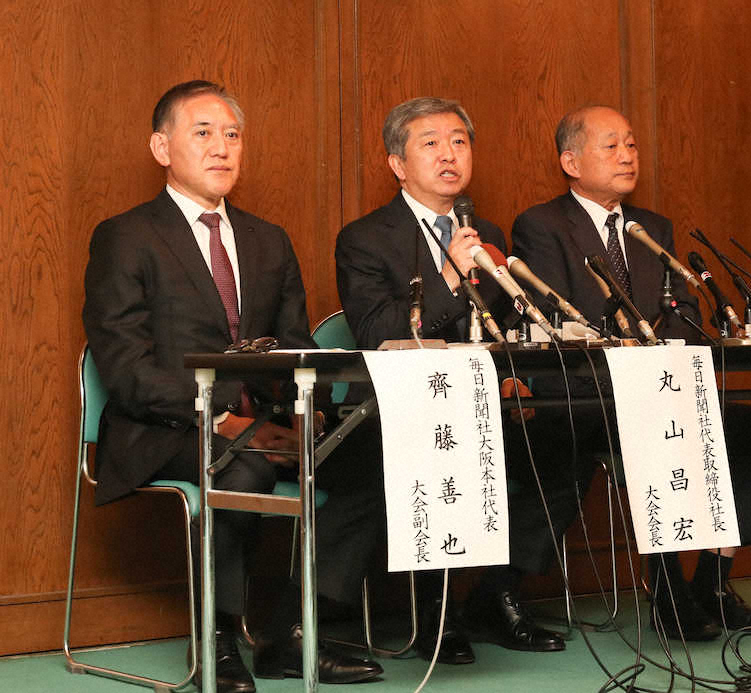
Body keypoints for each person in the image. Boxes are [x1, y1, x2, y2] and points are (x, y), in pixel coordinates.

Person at [83, 80, 381, 692]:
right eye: (203, 133)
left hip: (262, 425)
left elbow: (299, 347)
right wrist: (217, 417)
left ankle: (291, 632)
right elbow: (125, 365)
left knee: (370, 458)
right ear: (161, 147)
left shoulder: (268, 240)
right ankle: (217, 640)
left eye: (233, 135)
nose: (222, 147)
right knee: (242, 468)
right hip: (160, 426)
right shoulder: (126, 235)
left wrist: (310, 414)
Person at [511, 104, 751, 640]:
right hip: (585, 395)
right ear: (570, 161)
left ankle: (711, 582)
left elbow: (683, 312)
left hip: (659, 388)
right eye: (610, 145)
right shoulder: (542, 226)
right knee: (652, 432)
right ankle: (667, 592)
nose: (627, 155)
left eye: (632, 144)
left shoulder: (649, 228)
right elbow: (554, 320)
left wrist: (672, 334)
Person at [329, 96, 566, 665]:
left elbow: (506, 322)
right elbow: (376, 332)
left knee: (562, 439)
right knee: (429, 450)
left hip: (483, 401)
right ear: (397, 163)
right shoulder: (365, 237)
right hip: (399, 409)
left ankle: (498, 592)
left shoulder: (484, 232)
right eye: (430, 143)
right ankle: (433, 612)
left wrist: (515, 374)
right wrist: (448, 278)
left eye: (459, 141)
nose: (449, 154)